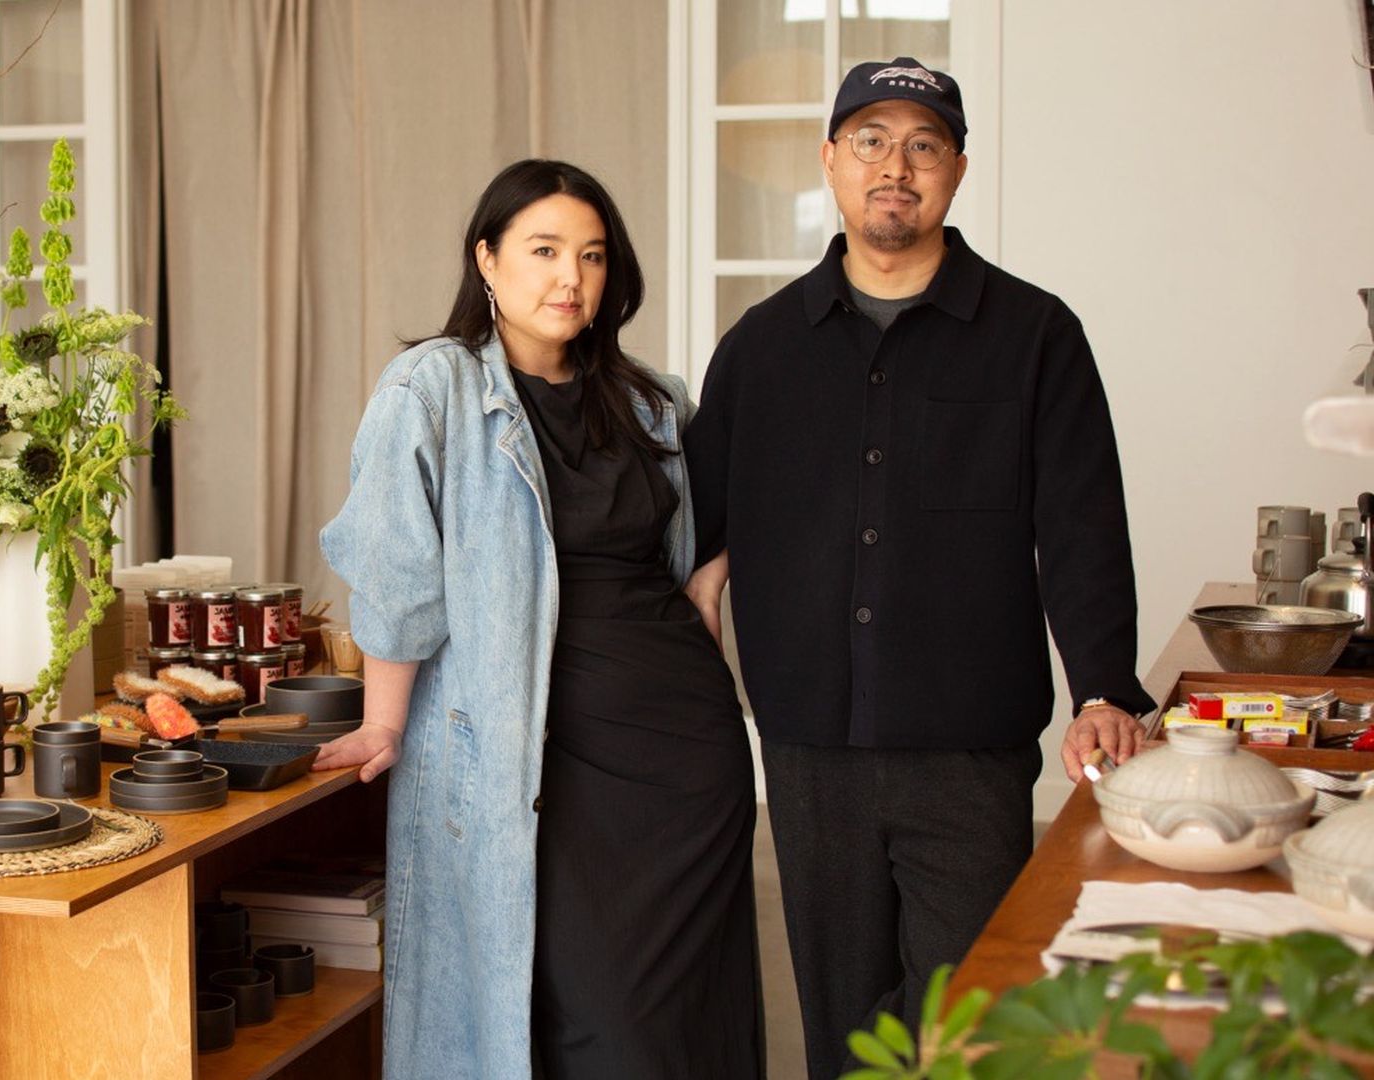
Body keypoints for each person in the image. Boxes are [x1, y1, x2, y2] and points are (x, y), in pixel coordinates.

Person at [682, 57, 1156, 1079]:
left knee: (966, 1032)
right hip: (810, 751)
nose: (896, 167)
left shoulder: (1036, 337)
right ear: (831, 162)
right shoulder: (759, 351)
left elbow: (1081, 528)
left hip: (968, 754)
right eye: (871, 142)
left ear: (957, 170)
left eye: (924, 145)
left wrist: (1105, 688)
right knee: (846, 1036)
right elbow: (696, 544)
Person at [316, 158, 764, 1078]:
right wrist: (384, 721)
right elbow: (400, 575)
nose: (571, 278)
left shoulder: (653, 401)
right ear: (487, 259)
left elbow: (717, 525)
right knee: (586, 1022)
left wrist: (709, 595)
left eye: (593, 257)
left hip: (685, 757)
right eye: (546, 250)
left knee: (681, 1032)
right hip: (538, 765)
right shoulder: (431, 389)